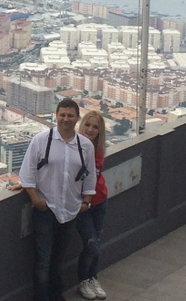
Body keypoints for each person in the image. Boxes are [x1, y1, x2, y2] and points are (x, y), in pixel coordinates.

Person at [18, 99, 97, 301]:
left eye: (70, 115)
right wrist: (36, 200)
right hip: (47, 209)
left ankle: (56, 295)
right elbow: (27, 173)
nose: (66, 119)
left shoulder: (85, 146)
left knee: (59, 259)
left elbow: (90, 177)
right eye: (62, 115)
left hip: (71, 210)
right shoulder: (42, 140)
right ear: (56, 116)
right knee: (43, 261)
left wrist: (86, 202)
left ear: (77, 118)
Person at [75, 110, 108, 300]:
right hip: (82, 204)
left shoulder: (98, 149)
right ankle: (83, 281)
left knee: (97, 241)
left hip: (100, 200)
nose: (90, 129)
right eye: (87, 125)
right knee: (92, 245)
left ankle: (92, 277)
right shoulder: (74, 147)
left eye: (95, 127)